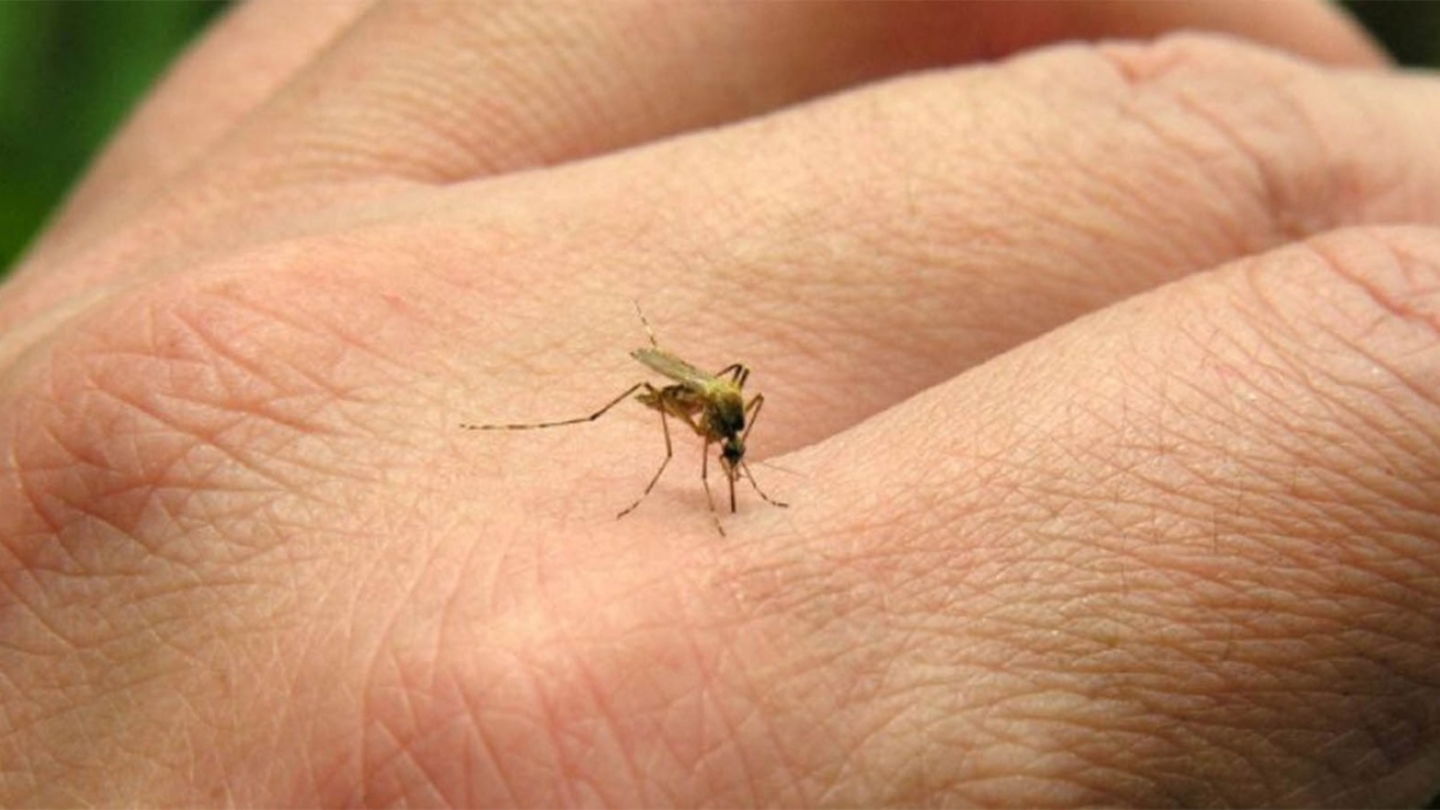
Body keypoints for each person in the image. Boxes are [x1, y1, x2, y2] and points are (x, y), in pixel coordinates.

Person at [2, 1, 1437, 805]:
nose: (723, 433)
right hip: (656, 378)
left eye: (723, 431)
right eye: (722, 430)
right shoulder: (683, 404)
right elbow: (689, 395)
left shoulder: (729, 411)